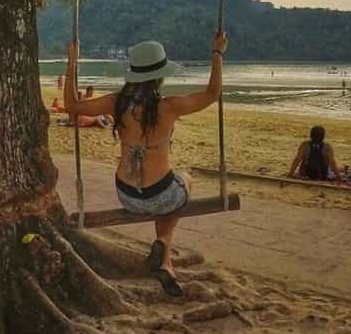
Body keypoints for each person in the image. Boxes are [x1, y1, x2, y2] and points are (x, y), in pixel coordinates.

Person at [63, 32, 228, 298]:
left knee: (166, 195)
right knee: (183, 181)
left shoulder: (116, 103)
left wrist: (71, 63)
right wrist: (217, 54)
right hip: (161, 194)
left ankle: (166, 263)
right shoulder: (169, 107)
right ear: (160, 76)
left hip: (128, 195)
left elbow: (71, 105)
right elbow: (211, 94)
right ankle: (162, 242)